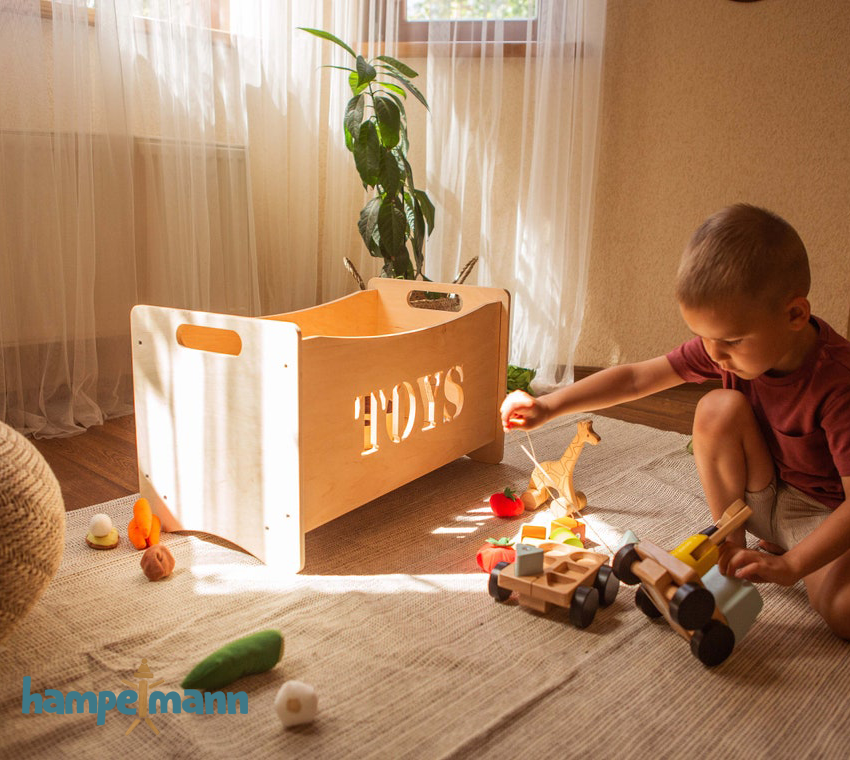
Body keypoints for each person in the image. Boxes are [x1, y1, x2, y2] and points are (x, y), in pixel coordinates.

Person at [500, 204, 850, 639]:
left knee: (842, 612)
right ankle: (731, 549)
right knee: (716, 408)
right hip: (758, 503)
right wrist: (550, 406)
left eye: (731, 341)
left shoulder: (838, 384)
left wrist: (793, 565)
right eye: (705, 338)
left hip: (823, 514)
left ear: (795, 315)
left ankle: (779, 550)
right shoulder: (726, 348)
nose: (715, 354)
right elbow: (635, 377)